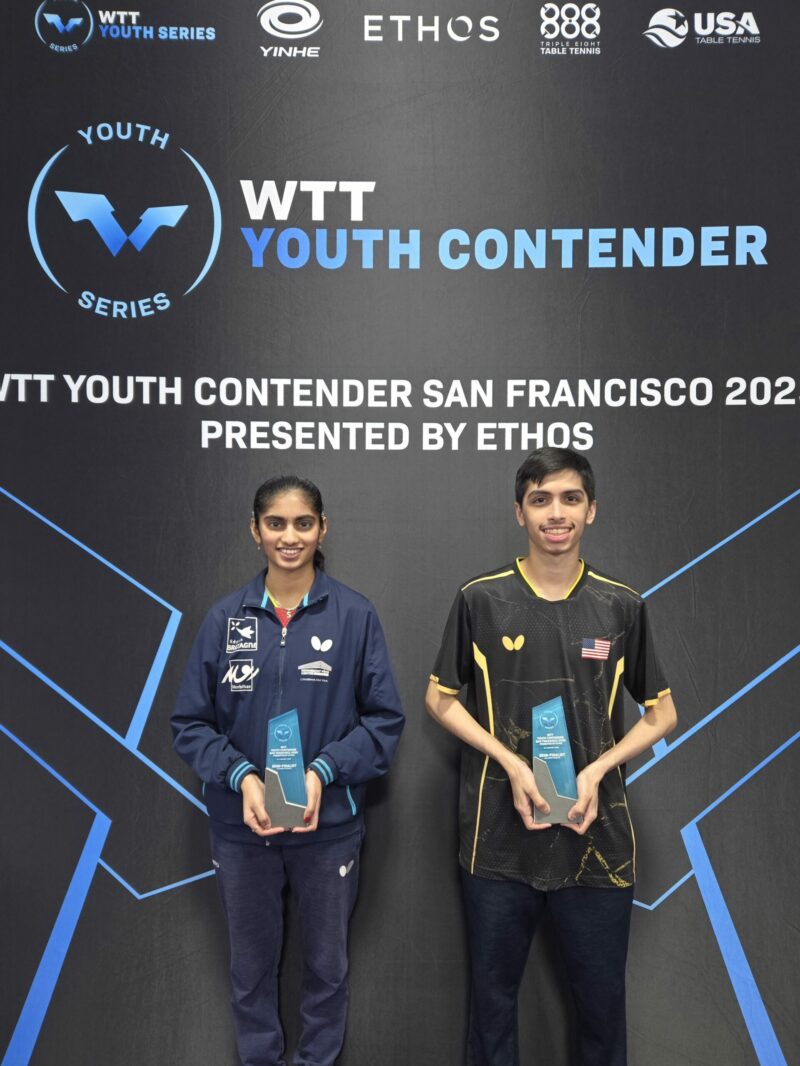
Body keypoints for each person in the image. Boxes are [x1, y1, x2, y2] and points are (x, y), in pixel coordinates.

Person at [425, 447, 677, 1066]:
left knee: (601, 1012)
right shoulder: (481, 599)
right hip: (497, 837)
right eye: (540, 500)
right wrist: (510, 764)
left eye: (570, 499)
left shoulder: (621, 605)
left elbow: (663, 714)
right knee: (492, 1011)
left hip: (596, 837)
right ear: (520, 512)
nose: (555, 513)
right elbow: (439, 699)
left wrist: (596, 770)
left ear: (592, 510)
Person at [172, 474, 404, 1066]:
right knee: (250, 971)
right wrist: (243, 777)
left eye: (303, 523)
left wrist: (322, 772)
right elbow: (190, 724)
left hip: (327, 832)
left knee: (327, 969)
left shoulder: (355, 616)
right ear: (255, 531)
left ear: (323, 528)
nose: (290, 536)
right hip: (241, 829)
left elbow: (384, 723)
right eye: (276, 523)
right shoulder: (224, 618)